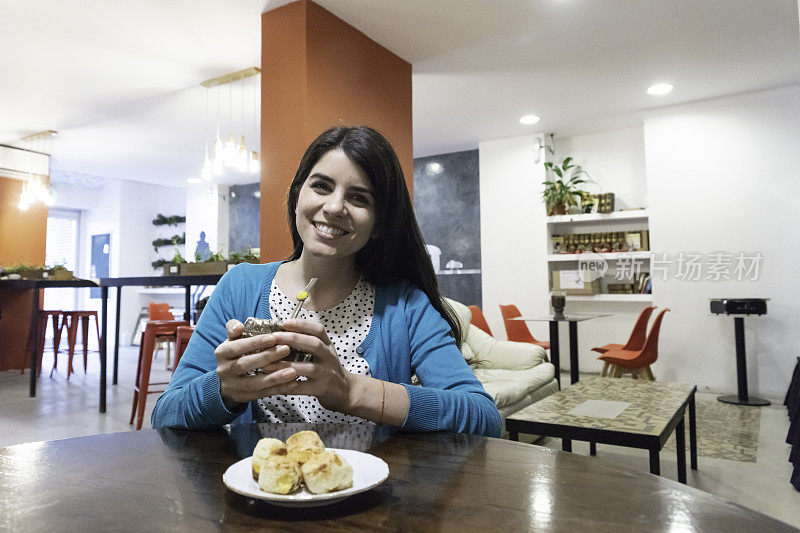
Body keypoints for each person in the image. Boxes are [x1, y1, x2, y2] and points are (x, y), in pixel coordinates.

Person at [151, 125, 501, 437]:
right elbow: (165, 415)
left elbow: (483, 417)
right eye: (321, 186)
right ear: (297, 194)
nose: (335, 207)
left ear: (379, 222)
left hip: (374, 504)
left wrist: (351, 391)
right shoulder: (240, 286)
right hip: (260, 498)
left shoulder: (405, 305)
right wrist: (224, 389)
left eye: (359, 197)